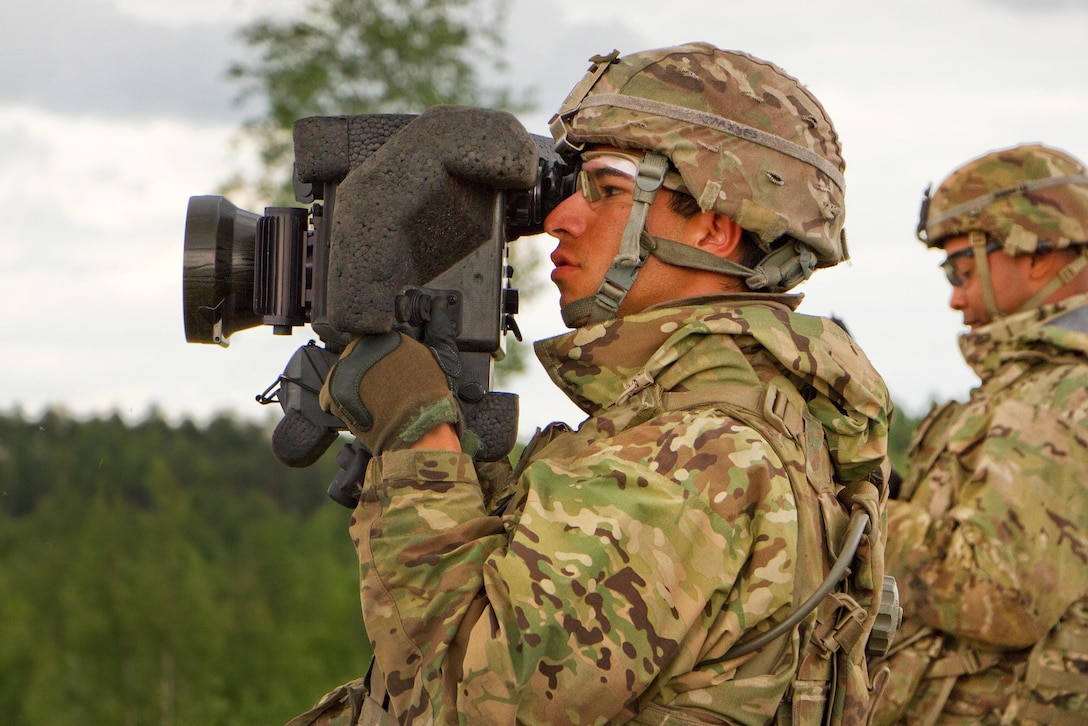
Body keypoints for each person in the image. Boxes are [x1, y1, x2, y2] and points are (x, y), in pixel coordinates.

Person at [293, 42, 894, 725]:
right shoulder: (742, 421)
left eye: (605, 191)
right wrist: (467, 463)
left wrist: (419, 441)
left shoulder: (698, 454)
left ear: (716, 227)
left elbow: (466, 701)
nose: (558, 219)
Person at [871, 143, 1088, 725]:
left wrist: (865, 512)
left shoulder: (1064, 396)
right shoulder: (1039, 385)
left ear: (1037, 253)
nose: (954, 295)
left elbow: (999, 595)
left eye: (962, 269)